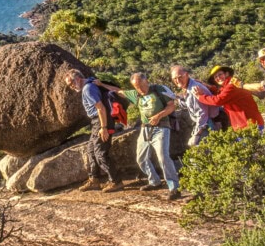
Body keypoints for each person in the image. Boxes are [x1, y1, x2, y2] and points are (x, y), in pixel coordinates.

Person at [95, 73, 181, 201]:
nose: (139, 89)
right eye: (136, 87)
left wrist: (158, 116)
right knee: (141, 158)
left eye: (141, 85)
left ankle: (174, 188)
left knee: (163, 157)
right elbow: (118, 91)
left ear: (147, 81)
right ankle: (154, 181)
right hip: (145, 129)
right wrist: (101, 84)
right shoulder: (136, 94)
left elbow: (171, 106)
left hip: (161, 127)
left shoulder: (158, 90)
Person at [64, 69, 123, 193]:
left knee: (100, 153)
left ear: (78, 79)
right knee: (91, 150)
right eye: (69, 85)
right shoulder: (90, 85)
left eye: (71, 83)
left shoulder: (88, 89)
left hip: (101, 121)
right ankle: (94, 180)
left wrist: (104, 128)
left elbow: (101, 109)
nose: (71, 86)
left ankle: (116, 182)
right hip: (97, 122)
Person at [193, 65, 264, 131]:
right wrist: (205, 85)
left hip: (250, 124)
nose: (218, 78)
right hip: (245, 125)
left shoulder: (232, 86)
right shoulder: (228, 86)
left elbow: (218, 100)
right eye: (215, 77)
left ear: (226, 74)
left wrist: (200, 97)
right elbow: (220, 92)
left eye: (220, 74)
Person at [170, 65, 224, 146]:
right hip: (205, 123)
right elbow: (190, 104)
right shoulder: (187, 86)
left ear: (187, 75)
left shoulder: (194, 89)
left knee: (200, 149)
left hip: (208, 124)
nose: (177, 80)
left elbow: (202, 115)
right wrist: (178, 98)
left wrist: (196, 134)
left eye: (180, 77)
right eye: (174, 78)